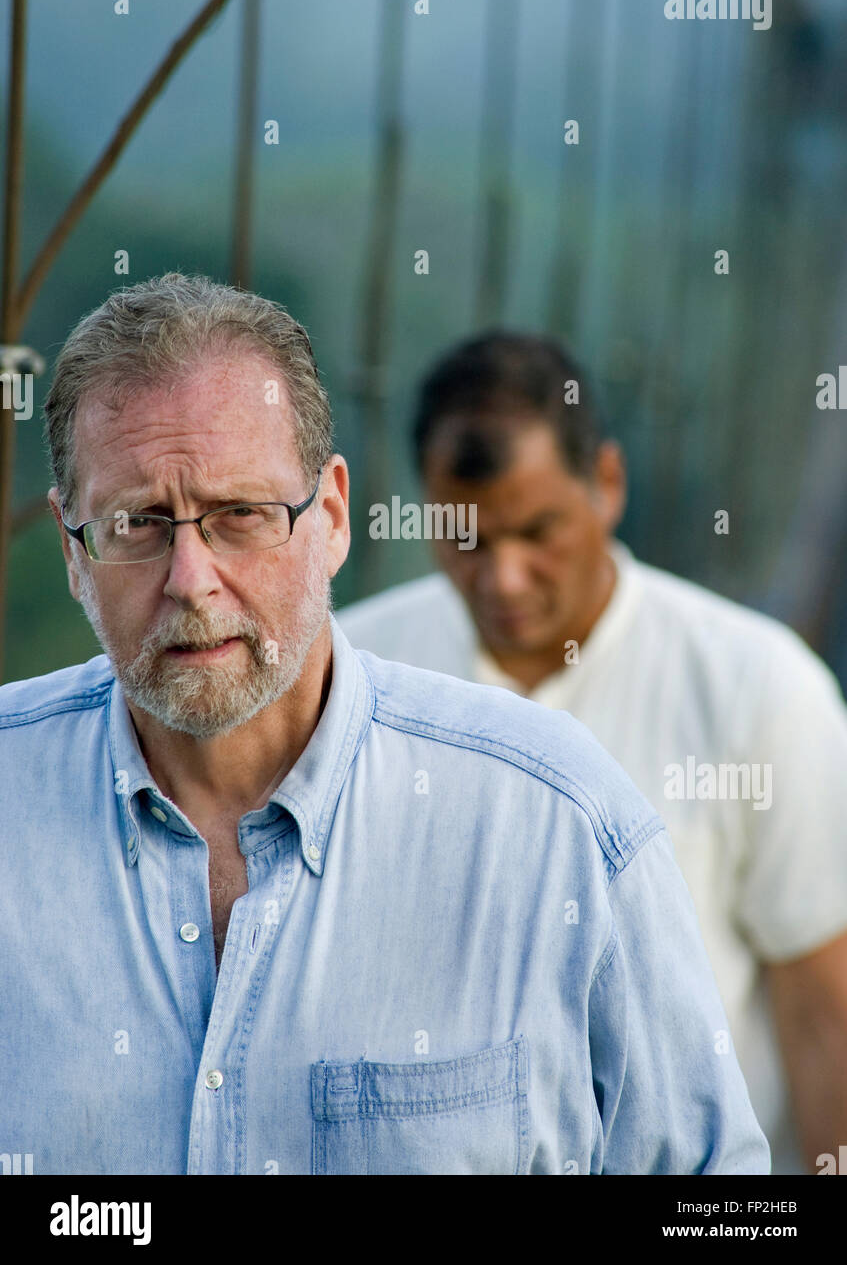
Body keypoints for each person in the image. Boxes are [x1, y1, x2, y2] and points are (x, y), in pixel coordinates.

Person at [0, 276, 769, 1176]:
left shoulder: (559, 827)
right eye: (137, 523)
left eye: (240, 515)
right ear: (71, 550)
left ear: (328, 517)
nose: (190, 580)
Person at [338, 330, 847, 1176]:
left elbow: (823, 1015)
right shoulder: (350, 676)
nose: (502, 577)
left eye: (538, 531)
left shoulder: (758, 690)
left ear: (605, 485)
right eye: (466, 539)